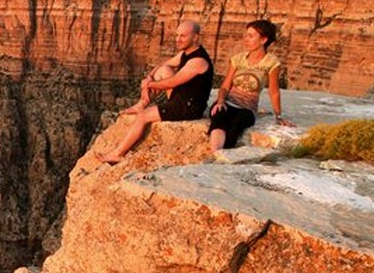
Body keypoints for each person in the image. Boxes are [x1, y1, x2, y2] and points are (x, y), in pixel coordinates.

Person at [98, 20, 213, 164]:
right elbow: (164, 65)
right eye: (177, 35)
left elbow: (173, 82)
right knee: (163, 71)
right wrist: (150, 77)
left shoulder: (198, 61)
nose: (178, 39)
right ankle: (142, 103)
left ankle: (117, 154)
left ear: (195, 37)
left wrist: (149, 84)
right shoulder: (186, 53)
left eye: (183, 36)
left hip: (188, 107)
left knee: (143, 116)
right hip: (181, 97)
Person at [209, 19, 294, 149]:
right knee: (219, 118)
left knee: (237, 123)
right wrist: (220, 101)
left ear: (263, 40)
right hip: (228, 102)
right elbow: (225, 86)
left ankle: (223, 155)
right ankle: (215, 153)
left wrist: (279, 116)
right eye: (246, 35)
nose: (246, 39)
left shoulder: (271, 63)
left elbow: (274, 91)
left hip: (247, 108)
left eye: (251, 36)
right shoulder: (238, 59)